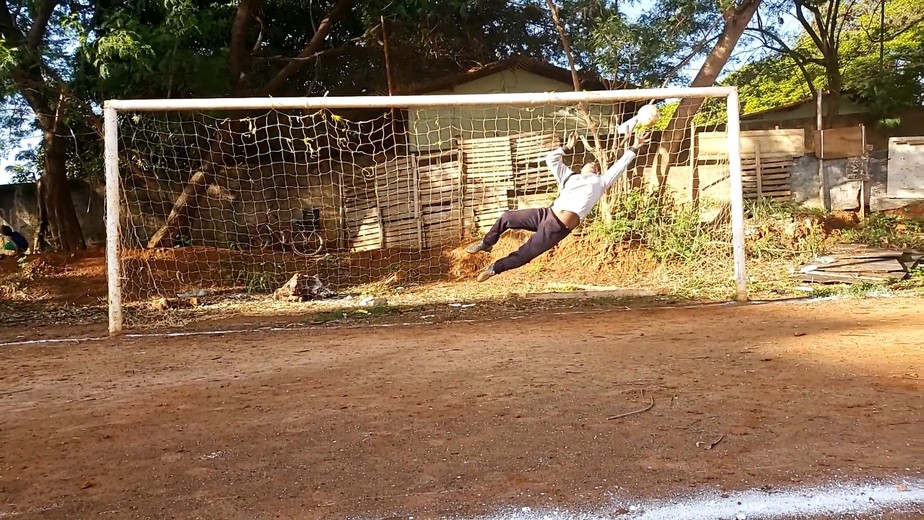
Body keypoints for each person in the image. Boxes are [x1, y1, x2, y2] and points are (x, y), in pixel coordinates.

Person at [464, 130, 648, 282]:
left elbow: (619, 166)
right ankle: (487, 243)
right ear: (581, 167)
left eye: (596, 165)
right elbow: (551, 159)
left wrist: (633, 147)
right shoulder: (569, 176)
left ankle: (495, 268)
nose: (593, 165)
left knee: (525, 254)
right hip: (546, 213)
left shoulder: (601, 182)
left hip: (558, 227)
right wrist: (566, 148)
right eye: (590, 162)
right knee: (507, 217)